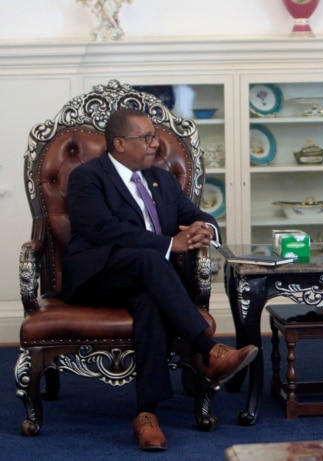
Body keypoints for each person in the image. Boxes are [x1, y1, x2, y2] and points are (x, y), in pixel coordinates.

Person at [62, 108, 258, 451]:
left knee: (150, 300)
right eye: (147, 137)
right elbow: (101, 229)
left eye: (155, 136)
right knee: (149, 259)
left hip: (148, 280)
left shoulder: (161, 179)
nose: (156, 143)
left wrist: (204, 229)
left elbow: (194, 213)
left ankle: (146, 415)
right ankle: (210, 351)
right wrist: (170, 243)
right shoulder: (88, 177)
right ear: (120, 143)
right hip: (98, 276)